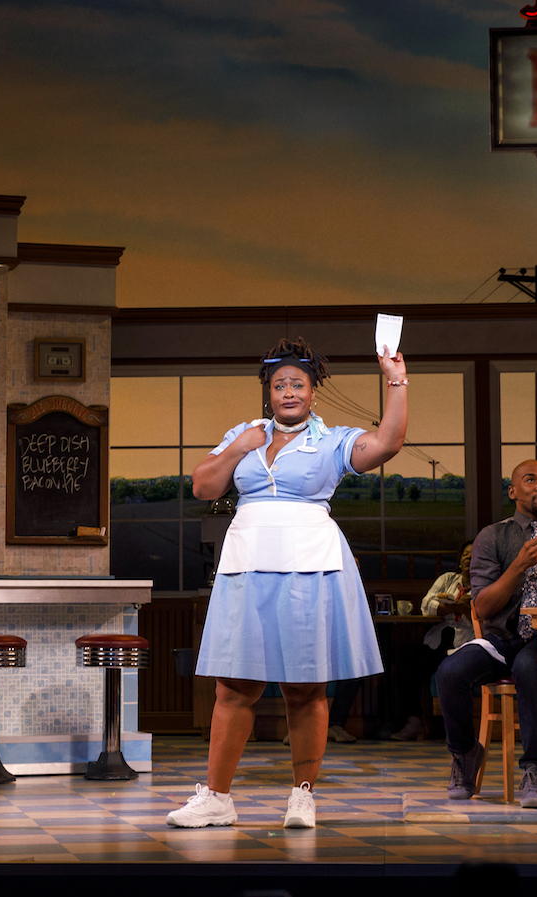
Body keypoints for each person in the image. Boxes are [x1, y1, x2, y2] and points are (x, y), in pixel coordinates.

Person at [165, 336, 406, 829]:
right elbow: (204, 485)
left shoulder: (333, 440)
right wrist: (239, 447)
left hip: (309, 565)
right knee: (234, 686)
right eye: (280, 385)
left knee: (305, 686)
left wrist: (395, 380)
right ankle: (217, 797)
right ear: (268, 392)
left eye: (298, 384)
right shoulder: (245, 433)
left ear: (314, 391)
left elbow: (388, 443)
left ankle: (302, 795)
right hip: (247, 565)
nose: (289, 392)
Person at [433, 460, 537, 808]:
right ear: (513, 491)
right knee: (449, 672)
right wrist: (519, 565)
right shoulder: (492, 536)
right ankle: (464, 754)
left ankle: (534, 769)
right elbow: (483, 608)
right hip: (502, 640)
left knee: (528, 665)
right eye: (531, 480)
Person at [386, 540, 474, 742]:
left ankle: (456, 729)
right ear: (459, 560)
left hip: (467, 642)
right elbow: (427, 604)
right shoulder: (448, 579)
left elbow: (483, 616)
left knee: (453, 670)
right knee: (407, 665)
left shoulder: (487, 582)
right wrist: (455, 607)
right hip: (440, 637)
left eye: (474, 554)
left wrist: (462, 609)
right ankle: (414, 722)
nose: (469, 558)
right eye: (465, 555)